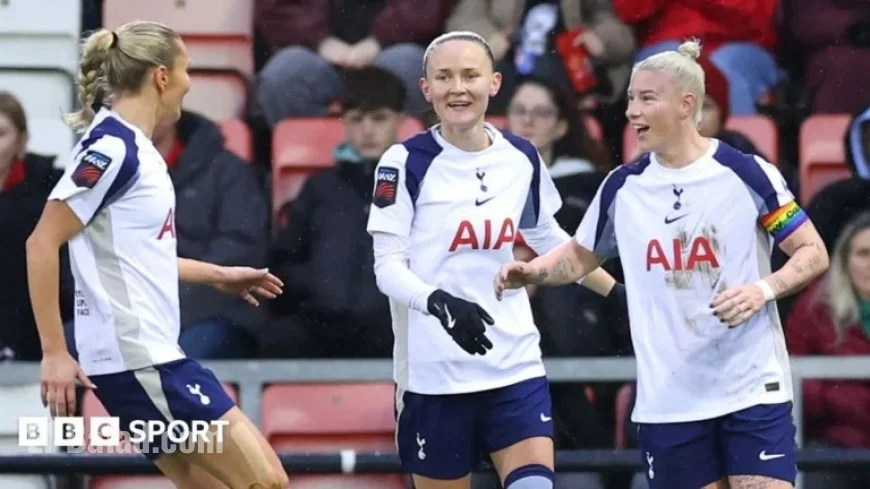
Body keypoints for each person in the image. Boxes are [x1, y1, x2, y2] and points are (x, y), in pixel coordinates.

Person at [495, 39, 830, 489]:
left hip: (751, 390)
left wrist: (761, 290)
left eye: (646, 98)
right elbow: (578, 257)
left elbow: (813, 253)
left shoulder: (748, 173)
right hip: (669, 400)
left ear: (686, 104)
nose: (632, 111)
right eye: (631, 98)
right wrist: (534, 271)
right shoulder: (622, 186)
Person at [25, 22, 289, 489]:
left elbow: (135, 256)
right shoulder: (114, 150)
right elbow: (42, 242)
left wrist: (217, 274)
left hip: (139, 357)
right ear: (162, 77)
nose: (190, 81)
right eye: (185, 68)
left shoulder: (130, 148)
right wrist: (54, 353)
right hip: (140, 358)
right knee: (266, 480)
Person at [366, 31, 624, 489]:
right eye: (443, 77)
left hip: (515, 362)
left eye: (470, 75)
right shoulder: (404, 161)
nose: (457, 88)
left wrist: (617, 294)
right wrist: (439, 303)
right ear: (426, 90)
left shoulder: (520, 156)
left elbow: (551, 239)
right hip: (434, 376)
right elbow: (387, 266)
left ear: (494, 83)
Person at [785, 212, 870, 489]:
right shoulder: (815, 308)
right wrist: (845, 401)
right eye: (863, 253)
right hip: (836, 442)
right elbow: (789, 377)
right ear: (844, 260)